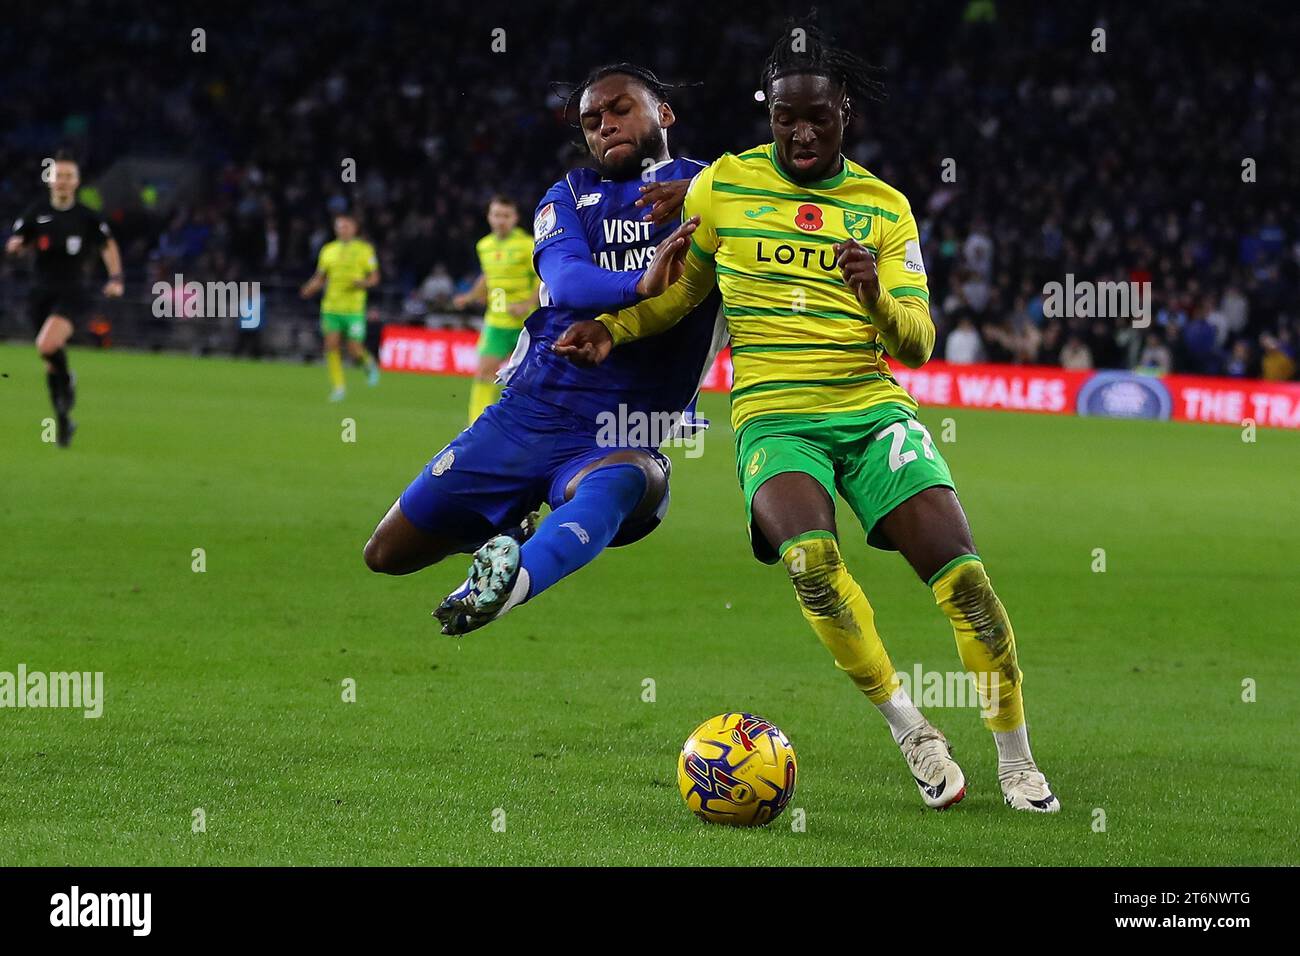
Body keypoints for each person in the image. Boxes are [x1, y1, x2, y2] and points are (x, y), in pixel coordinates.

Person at [556, 24, 1058, 813]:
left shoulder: (884, 209)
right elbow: (686, 297)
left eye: (816, 118)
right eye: (784, 117)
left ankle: (1016, 756)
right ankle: (911, 729)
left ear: (844, 113)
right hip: (774, 416)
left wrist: (875, 297)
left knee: (966, 583)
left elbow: (920, 342)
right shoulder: (723, 186)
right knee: (811, 565)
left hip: (869, 409)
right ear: (770, 114)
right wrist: (613, 328)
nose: (799, 133)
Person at [363, 63, 724, 638]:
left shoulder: (717, 192)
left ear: (666, 113)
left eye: (620, 109)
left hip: (624, 427)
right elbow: (572, 280)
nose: (604, 126)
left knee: (632, 477)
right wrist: (640, 285)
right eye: (590, 120)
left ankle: (507, 582)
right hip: (530, 407)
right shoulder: (570, 196)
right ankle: (511, 526)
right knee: (386, 554)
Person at [5, 153, 123, 447]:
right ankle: (63, 421)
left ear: (77, 181)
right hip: (40, 294)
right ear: (50, 179)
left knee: (47, 345)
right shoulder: (36, 212)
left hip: (73, 292)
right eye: (59, 175)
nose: (63, 181)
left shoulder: (86, 216)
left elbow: (107, 244)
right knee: (49, 361)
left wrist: (116, 278)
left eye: (69, 176)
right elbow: (16, 241)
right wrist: (16, 246)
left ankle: (68, 379)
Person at [452, 197, 540, 422]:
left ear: (515, 218)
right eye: (496, 215)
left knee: (527, 379)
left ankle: (526, 422)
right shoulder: (484, 246)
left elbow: (542, 277)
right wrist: (470, 297)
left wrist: (527, 304)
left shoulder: (527, 245)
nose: (501, 220)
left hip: (526, 324)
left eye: (506, 215)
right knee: (483, 373)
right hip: (496, 321)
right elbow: (487, 277)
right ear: (489, 217)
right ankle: (476, 424)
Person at [299, 213, 380, 401]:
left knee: (354, 348)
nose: (342, 229)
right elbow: (321, 277)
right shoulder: (328, 250)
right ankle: (339, 387)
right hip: (331, 306)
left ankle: (368, 363)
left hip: (354, 309)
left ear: (354, 228)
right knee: (331, 345)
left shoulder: (364, 250)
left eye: (346, 226)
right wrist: (309, 288)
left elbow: (374, 278)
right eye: (339, 226)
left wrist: (363, 283)